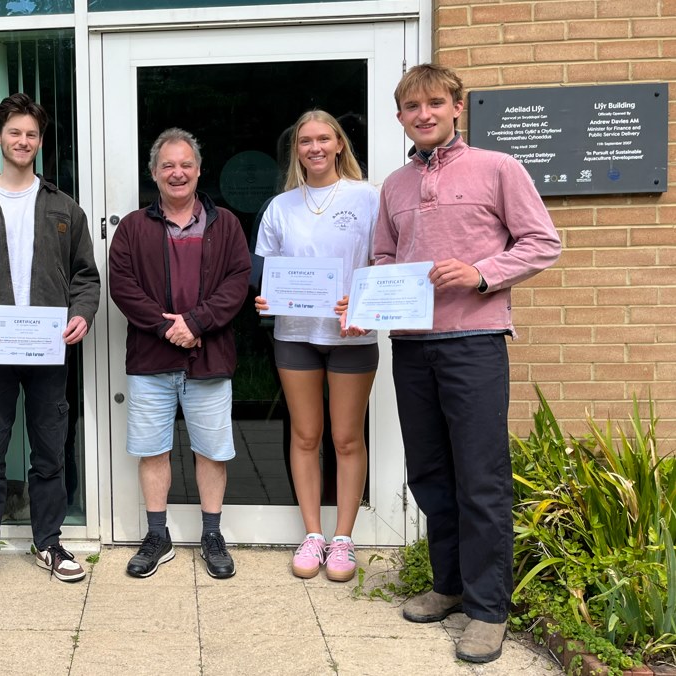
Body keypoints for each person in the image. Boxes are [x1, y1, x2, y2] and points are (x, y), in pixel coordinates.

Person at [342, 64, 561, 663]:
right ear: (400, 118)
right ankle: (449, 586)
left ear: (458, 106)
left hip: (474, 341)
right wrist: (365, 305)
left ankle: (489, 610)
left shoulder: (498, 169)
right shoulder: (394, 185)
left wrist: (483, 274)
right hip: (411, 345)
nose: (425, 114)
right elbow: (385, 257)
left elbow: (543, 241)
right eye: (413, 107)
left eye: (435, 103)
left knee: (481, 478)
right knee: (430, 473)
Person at [0, 93, 100, 594]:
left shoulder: (63, 208)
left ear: (39, 141)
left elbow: (85, 277)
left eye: (31, 134)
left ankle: (49, 541)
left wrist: (81, 315)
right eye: (14, 132)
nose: (23, 141)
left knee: (49, 450)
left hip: (47, 350)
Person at [109, 128, 250, 579]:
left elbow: (237, 282)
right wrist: (168, 327)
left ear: (199, 169)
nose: (177, 172)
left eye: (185, 164)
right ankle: (158, 535)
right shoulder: (133, 227)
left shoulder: (225, 224)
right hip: (151, 360)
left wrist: (197, 324)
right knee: (153, 451)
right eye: (167, 165)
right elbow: (122, 286)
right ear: (153, 173)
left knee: (211, 452)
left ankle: (211, 534)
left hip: (209, 357)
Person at [253, 110, 379, 582]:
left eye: (324, 138)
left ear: (340, 144)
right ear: (297, 150)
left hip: (352, 334)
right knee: (305, 437)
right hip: (295, 335)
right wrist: (266, 296)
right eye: (305, 140)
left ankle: (343, 538)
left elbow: (386, 259)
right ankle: (312, 533)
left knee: (347, 439)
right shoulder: (280, 206)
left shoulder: (368, 198)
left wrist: (363, 303)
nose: (315, 147)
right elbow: (267, 274)